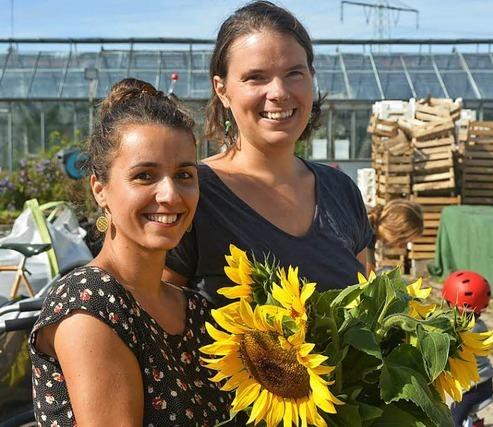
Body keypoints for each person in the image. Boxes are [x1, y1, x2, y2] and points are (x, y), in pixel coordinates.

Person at [29, 78, 231, 426]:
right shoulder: (90, 303)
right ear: (100, 190)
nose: (170, 194)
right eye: (144, 175)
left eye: (184, 174)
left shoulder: (195, 309)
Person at [164, 1, 373, 300]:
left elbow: (365, 311)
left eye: (294, 74)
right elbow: (154, 317)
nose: (279, 92)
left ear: (311, 78)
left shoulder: (341, 192)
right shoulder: (191, 193)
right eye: (256, 77)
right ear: (222, 90)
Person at [442, 270, 493, 427]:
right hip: (483, 384)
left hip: (474, 388)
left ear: (453, 303)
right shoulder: (479, 325)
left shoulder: (465, 330)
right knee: (461, 412)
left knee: (453, 419)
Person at [366, 199, 423, 271]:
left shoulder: (371, 231)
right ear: (395, 229)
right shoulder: (365, 233)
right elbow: (368, 276)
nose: (401, 246)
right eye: (403, 241)